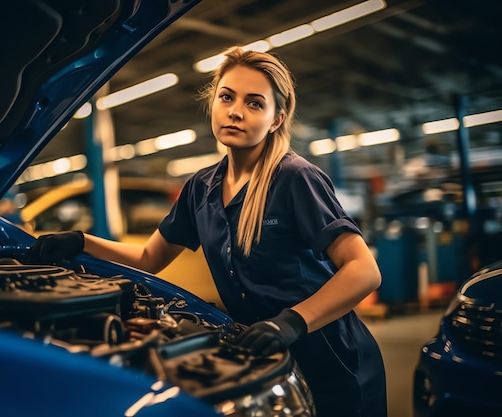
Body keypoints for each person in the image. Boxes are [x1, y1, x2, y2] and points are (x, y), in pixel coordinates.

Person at [27, 46, 387, 417]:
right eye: (227, 97)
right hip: (262, 359)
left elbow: (364, 270)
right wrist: (81, 241)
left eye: (254, 103)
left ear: (277, 119)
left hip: (331, 361)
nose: (235, 111)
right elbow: (149, 258)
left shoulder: (296, 178)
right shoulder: (201, 187)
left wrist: (291, 322)